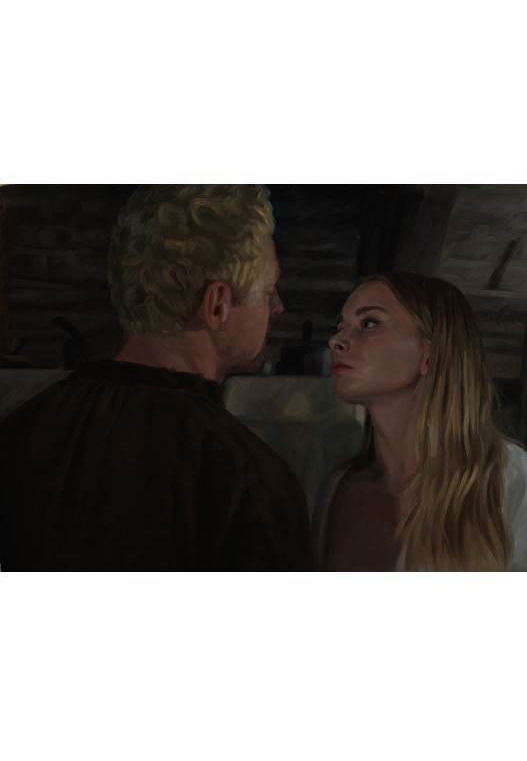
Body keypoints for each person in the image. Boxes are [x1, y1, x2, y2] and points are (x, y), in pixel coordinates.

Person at [0, 185, 310, 571]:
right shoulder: (250, 479)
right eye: (268, 291)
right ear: (217, 305)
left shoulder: (18, 434)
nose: (278, 307)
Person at [313, 272, 527, 571]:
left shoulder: (511, 480)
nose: (336, 340)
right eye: (340, 327)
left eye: (369, 323)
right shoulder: (337, 489)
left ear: (429, 356)